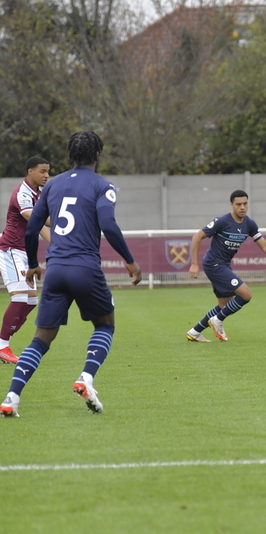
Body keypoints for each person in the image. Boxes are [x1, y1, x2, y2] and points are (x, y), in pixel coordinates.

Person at [0, 131, 142, 418]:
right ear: (98, 155)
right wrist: (129, 260)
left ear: (69, 156)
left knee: (40, 339)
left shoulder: (53, 186)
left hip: (54, 270)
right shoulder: (103, 185)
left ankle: (11, 397)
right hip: (85, 268)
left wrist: (33, 264)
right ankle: (86, 379)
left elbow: (31, 229)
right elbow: (109, 226)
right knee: (105, 325)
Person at [186, 190, 266, 343]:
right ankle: (217, 321)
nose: (242, 207)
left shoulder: (249, 224)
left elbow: (265, 246)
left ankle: (195, 332)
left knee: (224, 305)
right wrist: (194, 264)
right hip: (214, 264)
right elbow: (197, 237)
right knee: (246, 294)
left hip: (224, 265)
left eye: (245, 204)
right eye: (238, 204)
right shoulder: (222, 221)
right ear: (231, 205)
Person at [0, 157, 52, 364]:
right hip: (10, 250)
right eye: (42, 171)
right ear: (30, 171)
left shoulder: (37, 193)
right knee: (20, 298)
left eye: (48, 171)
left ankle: (3, 343)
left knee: (31, 300)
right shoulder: (22, 193)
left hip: (22, 252)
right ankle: (2, 345)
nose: (46, 175)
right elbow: (36, 219)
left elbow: (43, 219)